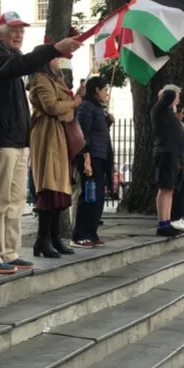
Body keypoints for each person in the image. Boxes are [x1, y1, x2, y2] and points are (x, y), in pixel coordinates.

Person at [0, 11, 81, 273]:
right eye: (13, 29)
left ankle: (10, 252)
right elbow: (15, 68)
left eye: (22, 29)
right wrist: (53, 49)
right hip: (1, 138)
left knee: (15, 201)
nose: (19, 34)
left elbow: (20, 66)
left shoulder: (12, 57)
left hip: (17, 140)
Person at [28, 51, 81, 257]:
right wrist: (72, 104)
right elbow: (51, 107)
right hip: (48, 135)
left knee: (59, 188)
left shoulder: (54, 80)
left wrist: (68, 106)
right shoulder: (41, 80)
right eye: (53, 58)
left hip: (58, 135)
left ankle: (53, 237)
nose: (57, 62)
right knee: (50, 188)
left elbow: (63, 110)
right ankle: (44, 239)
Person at [71, 76, 112, 247]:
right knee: (89, 196)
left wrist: (107, 122)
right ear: (96, 90)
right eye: (104, 90)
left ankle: (92, 232)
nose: (107, 94)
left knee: (98, 197)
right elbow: (83, 133)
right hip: (91, 157)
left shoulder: (97, 108)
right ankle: (81, 233)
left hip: (100, 156)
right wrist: (86, 158)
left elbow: (98, 132)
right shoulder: (87, 107)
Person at [152, 85, 184, 237]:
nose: (178, 99)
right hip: (166, 153)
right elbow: (169, 95)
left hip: (175, 154)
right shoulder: (159, 110)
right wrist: (168, 92)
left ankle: (167, 220)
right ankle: (162, 223)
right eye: (177, 96)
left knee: (170, 189)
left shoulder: (170, 113)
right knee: (165, 188)